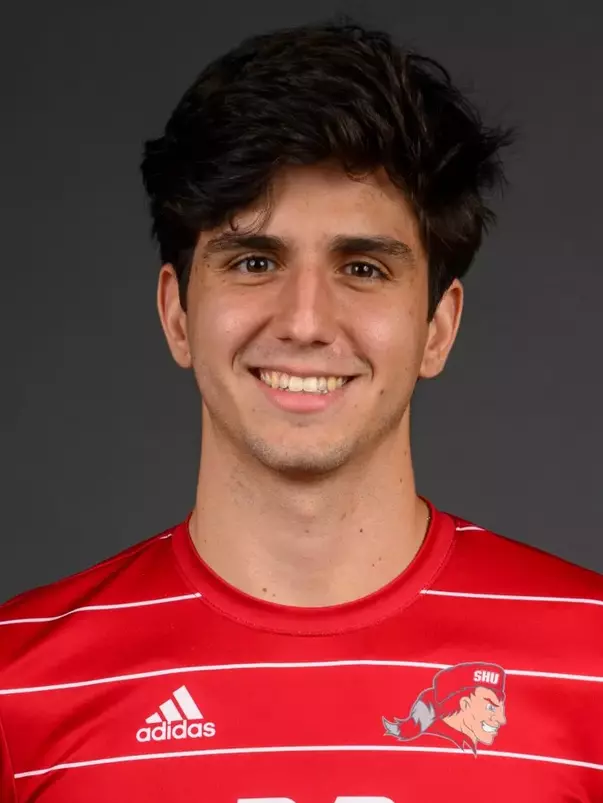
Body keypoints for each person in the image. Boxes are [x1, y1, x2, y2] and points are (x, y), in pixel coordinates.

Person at [0, 19, 602, 803]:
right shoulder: (18, 686)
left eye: (363, 267)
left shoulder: (591, 662)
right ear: (177, 313)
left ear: (437, 326)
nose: (305, 320)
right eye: (255, 261)